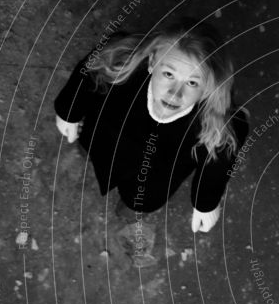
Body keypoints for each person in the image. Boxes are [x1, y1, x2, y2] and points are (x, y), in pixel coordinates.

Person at [54, 18, 248, 265]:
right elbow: (90, 71)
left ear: (208, 87)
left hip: (157, 174)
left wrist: (206, 203)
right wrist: (69, 111)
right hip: (107, 138)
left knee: (141, 199)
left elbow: (218, 160)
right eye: (168, 74)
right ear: (153, 62)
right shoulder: (121, 62)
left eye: (192, 82)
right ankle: (93, 159)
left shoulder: (216, 122)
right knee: (95, 152)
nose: (175, 93)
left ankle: (133, 208)